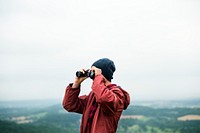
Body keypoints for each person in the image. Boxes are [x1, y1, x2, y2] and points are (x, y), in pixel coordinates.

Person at [62, 58, 130, 133]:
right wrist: (76, 83)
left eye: (93, 71)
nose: (92, 75)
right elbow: (69, 105)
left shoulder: (117, 94)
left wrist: (98, 77)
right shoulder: (93, 95)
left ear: (102, 73)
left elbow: (104, 99)